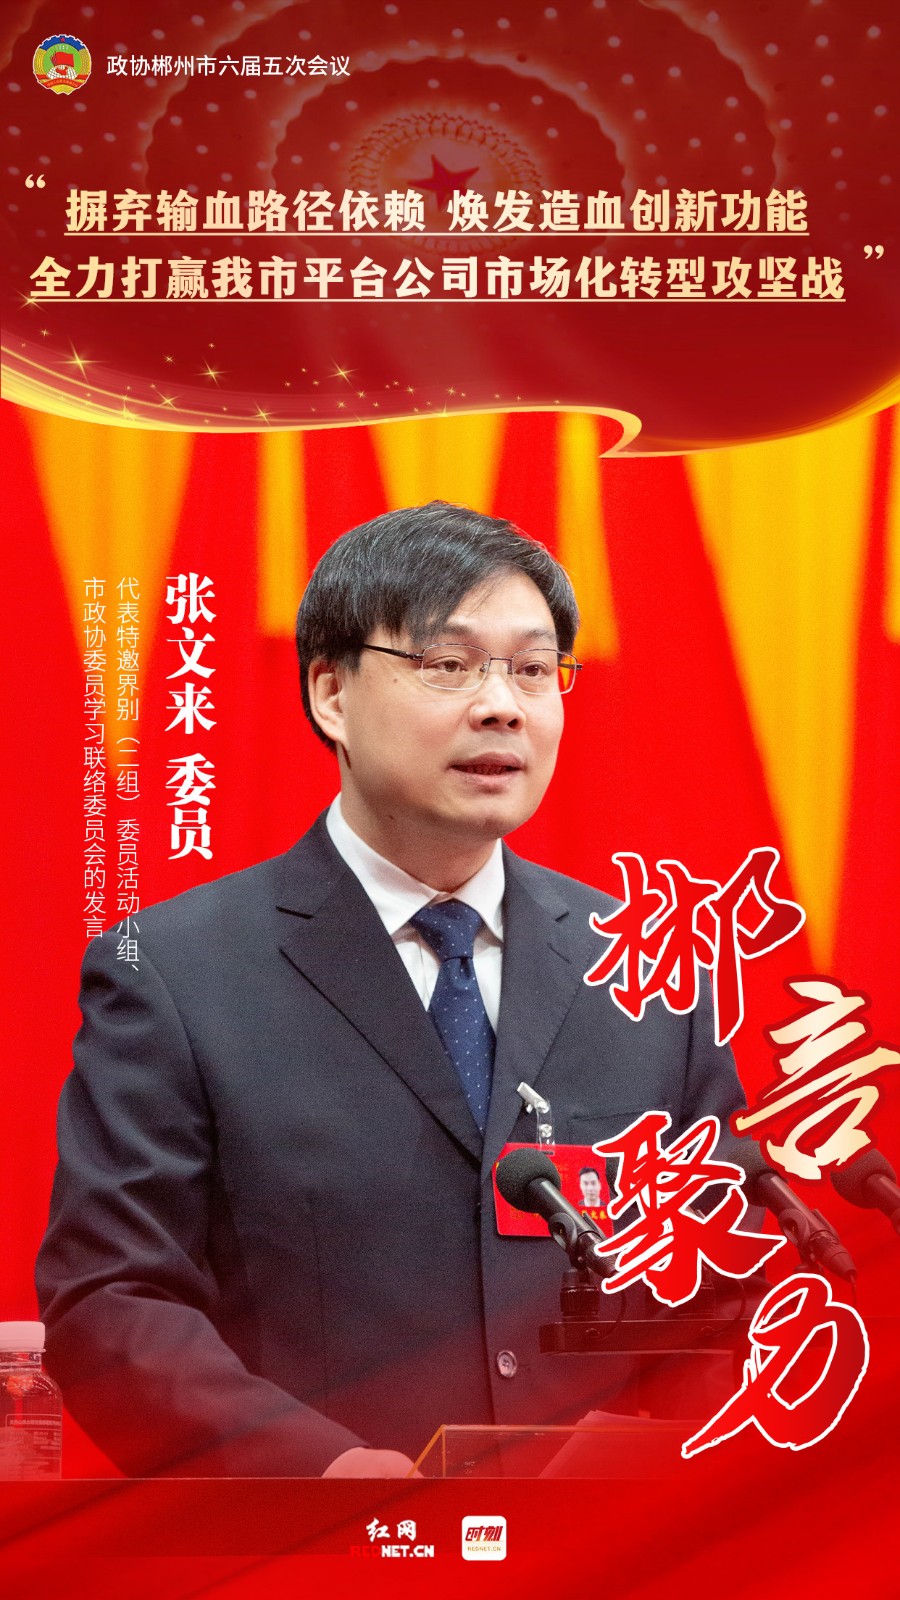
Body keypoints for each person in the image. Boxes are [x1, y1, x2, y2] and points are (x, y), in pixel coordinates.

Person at [36, 502, 750, 1478]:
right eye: (449, 665)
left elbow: (728, 1281)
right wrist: (319, 1476)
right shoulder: (175, 970)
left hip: (607, 1549)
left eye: (533, 669)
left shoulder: (643, 966)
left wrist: (668, 1471)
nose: (502, 706)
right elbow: (114, 1302)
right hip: (321, 1543)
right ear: (332, 692)